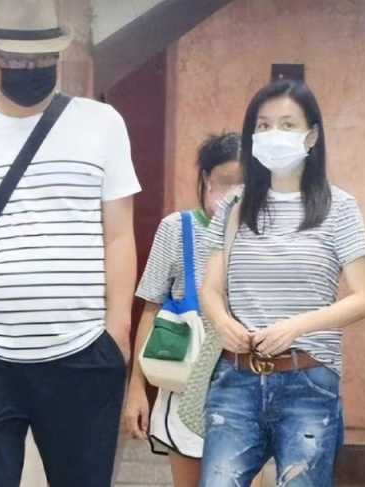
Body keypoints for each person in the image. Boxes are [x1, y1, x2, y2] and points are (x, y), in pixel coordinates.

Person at [0, 1, 141, 485]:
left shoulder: (103, 124)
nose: (28, 69)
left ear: (58, 56)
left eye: (41, 60)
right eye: (15, 60)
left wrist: (117, 332)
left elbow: (119, 235)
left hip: (83, 350)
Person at [198, 79, 365, 486]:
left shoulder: (338, 206)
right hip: (236, 380)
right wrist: (223, 323)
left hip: (308, 381)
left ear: (311, 136)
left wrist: (295, 327)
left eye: (287, 124)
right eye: (262, 126)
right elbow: (210, 288)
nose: (272, 134)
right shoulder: (234, 206)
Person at [123, 133, 242, 487]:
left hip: (244, 391)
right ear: (206, 178)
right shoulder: (177, 229)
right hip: (185, 387)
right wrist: (136, 389)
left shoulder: (259, 236)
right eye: (226, 181)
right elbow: (150, 309)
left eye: (246, 183)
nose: (235, 192)